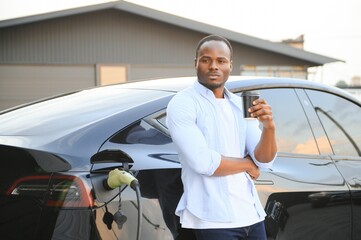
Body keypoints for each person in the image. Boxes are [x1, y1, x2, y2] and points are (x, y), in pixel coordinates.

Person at [166, 35, 277, 240]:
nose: (213, 66)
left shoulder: (239, 104)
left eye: (221, 61)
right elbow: (203, 162)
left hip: (251, 215)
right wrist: (247, 164)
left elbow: (264, 160)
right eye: (206, 59)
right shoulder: (183, 103)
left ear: (230, 66)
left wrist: (269, 127)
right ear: (196, 63)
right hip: (210, 219)